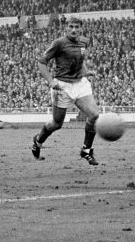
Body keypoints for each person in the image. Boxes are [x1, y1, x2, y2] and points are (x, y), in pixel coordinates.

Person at [29, 15, 101, 166]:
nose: (74, 30)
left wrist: (85, 71)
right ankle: (38, 141)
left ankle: (86, 151)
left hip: (80, 84)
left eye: (77, 27)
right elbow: (42, 63)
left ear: (81, 28)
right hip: (62, 86)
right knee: (57, 123)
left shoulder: (84, 42)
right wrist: (50, 80)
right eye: (71, 27)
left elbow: (79, 60)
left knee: (94, 115)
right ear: (66, 28)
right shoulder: (59, 43)